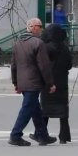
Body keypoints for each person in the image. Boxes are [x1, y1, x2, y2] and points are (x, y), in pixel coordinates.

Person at [9, 17, 56, 147]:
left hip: (23, 82)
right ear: (33, 27)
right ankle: (15, 135)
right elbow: (44, 65)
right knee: (27, 109)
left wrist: (16, 83)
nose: (41, 29)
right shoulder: (38, 43)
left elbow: (13, 65)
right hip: (33, 82)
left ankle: (42, 135)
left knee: (36, 109)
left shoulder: (18, 43)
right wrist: (50, 83)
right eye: (40, 26)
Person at [40, 23, 73, 144]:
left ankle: (41, 134)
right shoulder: (65, 48)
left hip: (48, 82)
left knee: (45, 110)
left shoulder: (45, 47)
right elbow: (69, 65)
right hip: (62, 82)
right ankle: (64, 136)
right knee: (63, 111)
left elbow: (41, 64)